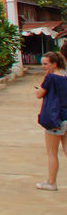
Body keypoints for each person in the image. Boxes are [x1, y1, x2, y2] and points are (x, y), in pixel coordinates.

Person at [35, 50, 67, 191]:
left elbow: (39, 94)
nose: (43, 67)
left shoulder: (50, 78)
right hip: (66, 117)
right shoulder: (65, 76)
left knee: (52, 153)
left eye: (46, 64)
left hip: (55, 120)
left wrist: (39, 88)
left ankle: (51, 182)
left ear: (54, 64)